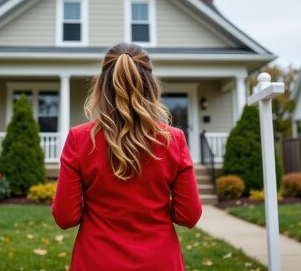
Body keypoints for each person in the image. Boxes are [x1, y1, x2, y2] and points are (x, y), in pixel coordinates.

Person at [52, 43, 203, 270]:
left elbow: (65, 217)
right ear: (151, 87)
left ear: (102, 87)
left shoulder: (79, 139)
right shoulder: (173, 140)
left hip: (96, 260)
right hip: (159, 260)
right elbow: (189, 216)